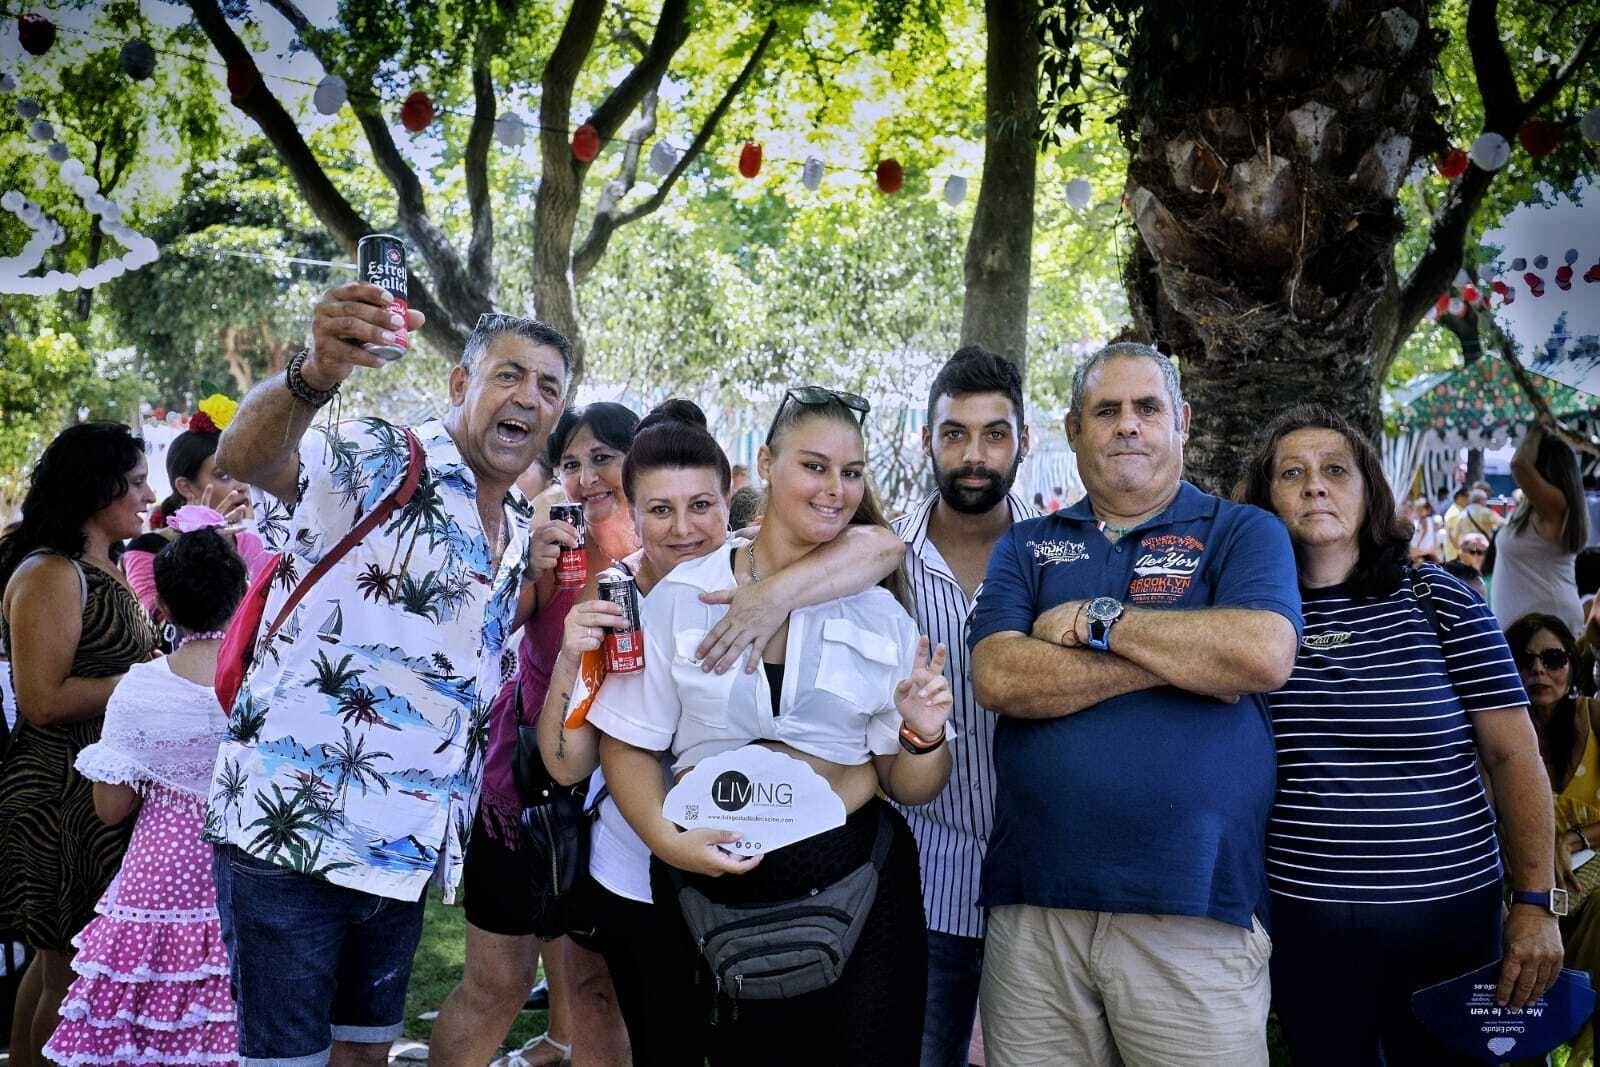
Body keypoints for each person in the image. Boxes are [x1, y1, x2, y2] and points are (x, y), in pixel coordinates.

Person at [205, 291, 570, 1067]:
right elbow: (249, 459)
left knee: (366, 1056)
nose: (528, 398)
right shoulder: (385, 454)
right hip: (291, 834)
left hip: (402, 851)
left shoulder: (515, 525)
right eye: (509, 374)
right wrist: (313, 373)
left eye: (548, 387)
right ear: (459, 383)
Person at [590, 386, 954, 1065]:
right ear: (766, 463)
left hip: (859, 887)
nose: (836, 489)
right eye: (815, 466)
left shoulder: (880, 613)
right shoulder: (681, 598)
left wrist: (923, 734)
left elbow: (910, 784)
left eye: (851, 472)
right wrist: (669, 843)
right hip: (712, 892)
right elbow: (627, 744)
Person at [968, 342, 1301, 1066]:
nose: (1128, 424)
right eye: (1106, 410)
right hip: (1036, 911)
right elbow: (998, 676)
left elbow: (1259, 654)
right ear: (1072, 429)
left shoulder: (1242, 531)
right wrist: (1182, 658)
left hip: (1194, 910)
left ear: (1182, 422)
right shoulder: (1027, 545)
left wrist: (1099, 621)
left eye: (1147, 408)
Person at [1238, 405, 1562, 1066]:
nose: (1314, 485)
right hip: (1307, 932)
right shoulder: (1250, 621)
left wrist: (1535, 903)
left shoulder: (1437, 599)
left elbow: (1514, 754)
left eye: (1335, 470)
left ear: (1370, 492)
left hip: (1454, 928)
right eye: (1291, 473)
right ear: (1265, 499)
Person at [436, 402, 644, 1067]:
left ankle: (564, 1040)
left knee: (599, 991)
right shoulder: (557, 546)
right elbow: (487, 629)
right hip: (525, 789)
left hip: (623, 798)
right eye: (571, 463)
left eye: (603, 458)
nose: (585, 477)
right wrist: (528, 564)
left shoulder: (668, 548)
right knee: (497, 983)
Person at [43, 527, 248, 1067]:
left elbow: (110, 808)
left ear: (163, 605)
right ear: (241, 595)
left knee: (144, 1028)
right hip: (248, 874)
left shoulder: (142, 687)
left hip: (160, 882)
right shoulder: (264, 680)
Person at [889, 346, 1034, 1067]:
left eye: (994, 434)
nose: (974, 455)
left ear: (1023, 442)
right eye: (955, 434)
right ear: (927, 440)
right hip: (922, 881)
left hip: (1042, 887)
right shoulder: (882, 562)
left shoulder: (1060, 556)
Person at [0, 423, 161, 1067]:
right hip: (58, 794)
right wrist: (148, 679)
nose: (148, 496)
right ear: (98, 489)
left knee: (56, 966)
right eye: (137, 482)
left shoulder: (102, 563)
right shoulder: (51, 573)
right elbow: (41, 700)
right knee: (67, 973)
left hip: (92, 790)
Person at [1505, 613, 1600, 1064]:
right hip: (1526, 885)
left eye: (1553, 658)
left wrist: (1570, 839)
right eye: (1525, 661)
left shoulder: (1593, 716)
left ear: (1571, 664)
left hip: (1587, 878)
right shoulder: (1499, 732)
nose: (1539, 671)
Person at [122, 411, 274, 629]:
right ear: (185, 487)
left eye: (242, 472)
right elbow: (162, 627)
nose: (241, 486)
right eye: (224, 475)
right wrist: (204, 547)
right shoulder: (146, 550)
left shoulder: (252, 544)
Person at [1492, 425, 1589, 635]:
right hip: (1536, 627)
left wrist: (1538, 427)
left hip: (1546, 627)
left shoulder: (1556, 505)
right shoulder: (1533, 509)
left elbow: (1519, 464)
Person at [1448, 484, 1505, 561]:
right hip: (1484, 551)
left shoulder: (1462, 514)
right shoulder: (1486, 513)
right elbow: (1503, 524)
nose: (1486, 502)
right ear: (1480, 500)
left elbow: (1455, 536)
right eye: (1485, 499)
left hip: (1468, 552)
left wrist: (1460, 549)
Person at [1408, 497, 1444, 563]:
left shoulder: (1424, 520)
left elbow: (1425, 531)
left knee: (1415, 556)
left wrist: (1419, 543)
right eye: (1419, 510)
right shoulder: (1429, 519)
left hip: (1424, 544)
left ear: (1427, 511)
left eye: (1421, 510)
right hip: (1428, 544)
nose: (1419, 512)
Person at [1444, 486, 1470, 561]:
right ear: (1460, 497)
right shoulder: (1455, 513)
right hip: (1455, 554)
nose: (1468, 500)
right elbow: (1451, 535)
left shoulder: (1459, 510)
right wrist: (1461, 551)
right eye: (1467, 497)